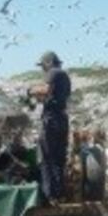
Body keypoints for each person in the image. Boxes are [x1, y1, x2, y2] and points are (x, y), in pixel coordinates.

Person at [27, 51, 71, 200]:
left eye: (42, 66)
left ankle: (49, 196)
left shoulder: (53, 72)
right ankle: (59, 194)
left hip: (51, 120)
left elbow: (46, 89)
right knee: (59, 159)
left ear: (48, 63)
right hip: (62, 119)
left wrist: (30, 90)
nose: (42, 69)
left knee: (46, 158)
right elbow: (55, 96)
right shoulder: (65, 76)